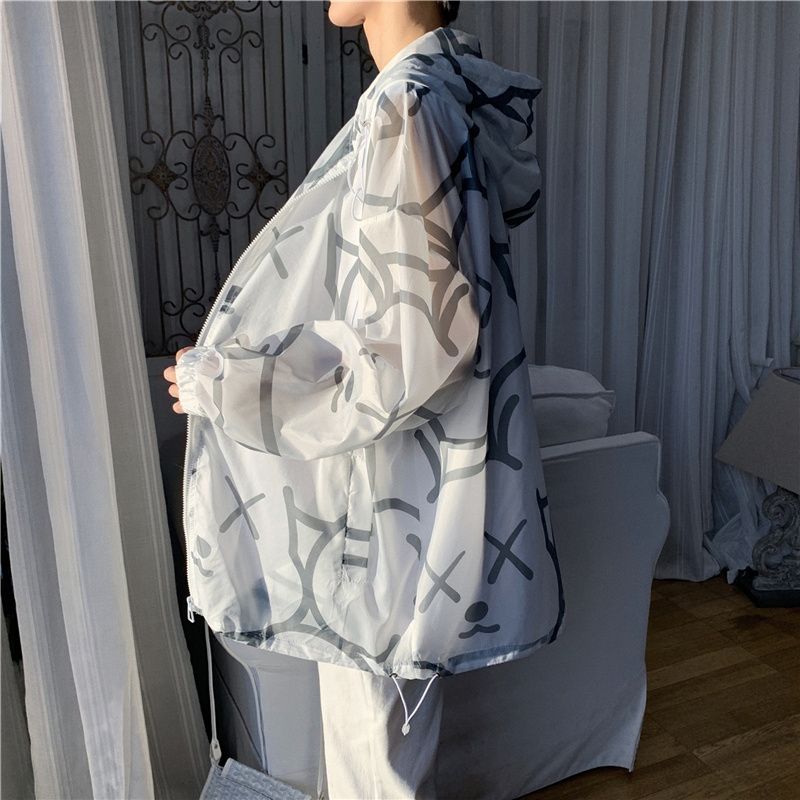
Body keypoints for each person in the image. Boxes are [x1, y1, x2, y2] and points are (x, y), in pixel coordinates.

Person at [163, 2, 565, 797]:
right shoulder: (444, 94)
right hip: (411, 487)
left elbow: (417, 348)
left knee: (374, 766)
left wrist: (236, 383)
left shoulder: (409, 104)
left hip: (386, 501)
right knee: (383, 758)